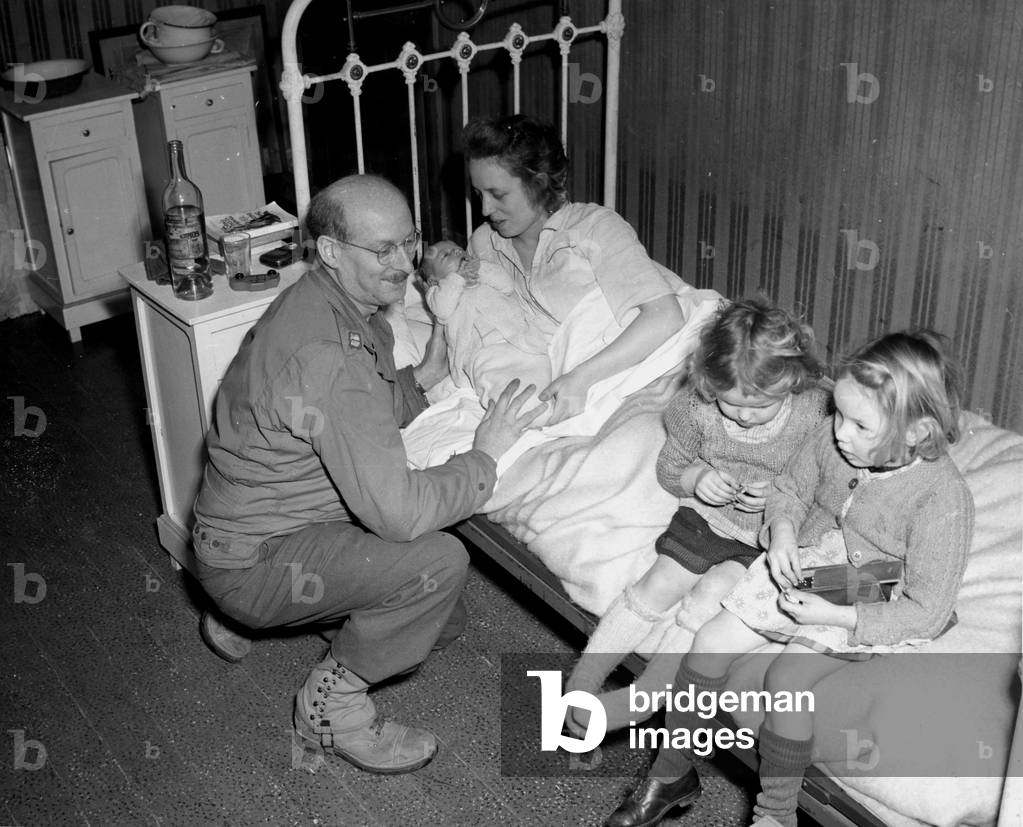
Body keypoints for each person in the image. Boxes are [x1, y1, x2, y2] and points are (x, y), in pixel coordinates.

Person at [191, 174, 545, 775]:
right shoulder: (334, 354)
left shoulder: (325, 300)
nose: (403, 263)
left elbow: (354, 408)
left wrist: (422, 377)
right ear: (330, 251)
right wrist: (483, 457)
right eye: (381, 250)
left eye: (408, 241)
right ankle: (330, 710)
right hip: (253, 561)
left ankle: (255, 611)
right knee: (439, 565)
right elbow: (401, 514)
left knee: (441, 623)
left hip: (239, 531)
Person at [604, 330, 974, 827]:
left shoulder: (943, 498)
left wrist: (835, 614)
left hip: (871, 589)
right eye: (839, 413)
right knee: (710, 640)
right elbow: (791, 488)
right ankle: (671, 775)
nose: (840, 431)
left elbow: (925, 608)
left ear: (917, 433)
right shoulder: (832, 437)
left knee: (786, 680)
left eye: (859, 424)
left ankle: (775, 814)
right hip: (808, 558)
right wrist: (780, 532)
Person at [566, 299, 830, 734]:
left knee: (711, 598)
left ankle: (644, 698)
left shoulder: (815, 413)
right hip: (707, 520)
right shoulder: (696, 409)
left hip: (766, 544)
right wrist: (696, 477)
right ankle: (583, 681)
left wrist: (784, 496)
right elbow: (670, 468)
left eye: (760, 406)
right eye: (731, 404)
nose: (744, 416)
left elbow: (832, 486)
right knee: (659, 583)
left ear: (792, 381)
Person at [464, 114, 685, 425]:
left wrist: (582, 378)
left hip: (641, 364)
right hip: (570, 386)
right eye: (478, 194)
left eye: (498, 194)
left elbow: (666, 316)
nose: (485, 209)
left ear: (538, 183)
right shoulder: (484, 245)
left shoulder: (594, 227)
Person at [420, 239, 551, 406]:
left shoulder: (483, 275)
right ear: (433, 280)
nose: (457, 252)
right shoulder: (437, 292)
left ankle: (544, 403)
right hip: (481, 351)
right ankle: (514, 412)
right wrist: (456, 279)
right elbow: (442, 311)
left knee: (537, 369)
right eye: (446, 255)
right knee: (496, 382)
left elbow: (507, 285)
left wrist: (481, 269)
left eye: (458, 249)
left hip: (517, 338)